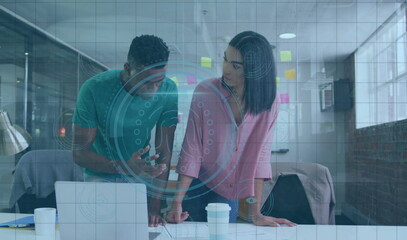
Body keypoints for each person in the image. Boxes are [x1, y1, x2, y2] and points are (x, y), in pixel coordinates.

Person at [166, 31, 295, 226]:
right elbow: (192, 149)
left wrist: (256, 213)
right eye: (225, 59)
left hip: (228, 190)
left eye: (235, 66)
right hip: (197, 183)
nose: (226, 69)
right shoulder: (205, 91)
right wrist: (176, 202)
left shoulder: (269, 102)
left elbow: (259, 159)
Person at [72, 35, 178, 227]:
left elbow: (164, 151)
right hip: (100, 176)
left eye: (159, 82)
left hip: (140, 177)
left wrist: (155, 207)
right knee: (100, 231)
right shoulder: (94, 89)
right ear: (128, 68)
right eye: (146, 82)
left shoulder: (169, 90)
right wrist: (125, 167)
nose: (153, 90)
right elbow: (80, 153)